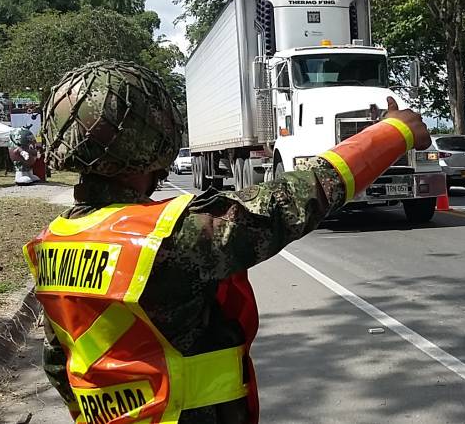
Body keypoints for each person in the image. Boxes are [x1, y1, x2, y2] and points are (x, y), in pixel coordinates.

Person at [23, 60, 430, 424]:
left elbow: (59, 364)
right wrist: (393, 134)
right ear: (155, 137)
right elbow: (291, 200)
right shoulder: (166, 236)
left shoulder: (52, 244)